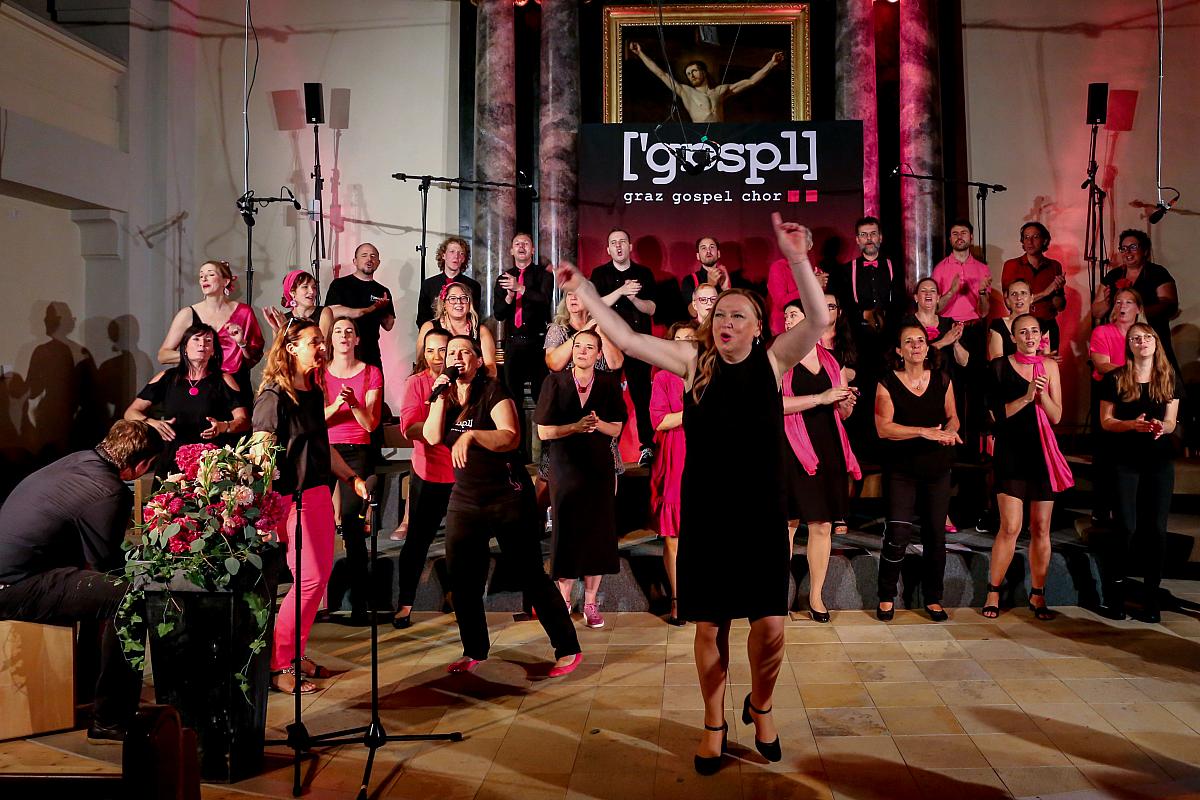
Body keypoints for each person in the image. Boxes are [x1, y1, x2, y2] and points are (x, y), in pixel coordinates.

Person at [559, 211, 830, 775]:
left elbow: (819, 317)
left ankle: (761, 705)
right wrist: (584, 288)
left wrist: (798, 258)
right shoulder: (692, 362)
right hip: (707, 515)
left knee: (771, 628)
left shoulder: (773, 361)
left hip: (761, 515)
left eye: (738, 314)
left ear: (758, 326)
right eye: (720, 314)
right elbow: (627, 338)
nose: (726, 321)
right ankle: (713, 723)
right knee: (710, 627)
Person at [423, 335, 583, 676]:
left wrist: (472, 435)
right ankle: (474, 650)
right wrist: (438, 395)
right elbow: (433, 436)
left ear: (478, 360)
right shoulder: (446, 395)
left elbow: (511, 436)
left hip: (506, 496)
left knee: (529, 574)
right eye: (452, 352)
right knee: (462, 578)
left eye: (465, 351)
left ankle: (568, 647)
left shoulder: (493, 391)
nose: (457, 357)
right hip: (466, 499)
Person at [0, 420, 163, 742]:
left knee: (97, 590)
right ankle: (111, 717)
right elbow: (108, 565)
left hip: (17, 574)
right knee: (129, 598)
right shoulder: (109, 490)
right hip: (14, 586)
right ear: (142, 465)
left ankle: (88, 687)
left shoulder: (76, 460)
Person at [251, 319, 367, 694]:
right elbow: (259, 454)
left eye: (322, 341)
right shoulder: (274, 396)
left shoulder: (314, 390)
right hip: (289, 498)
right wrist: (262, 510)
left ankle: (295, 654)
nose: (322, 347)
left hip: (316, 493)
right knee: (310, 579)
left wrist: (350, 477)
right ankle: (278, 665)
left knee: (317, 580)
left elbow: (322, 444)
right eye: (314, 341)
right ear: (292, 348)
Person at [981, 313, 1072, 622]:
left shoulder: (1050, 366)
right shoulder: (999, 366)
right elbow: (994, 416)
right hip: (1011, 452)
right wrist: (1027, 396)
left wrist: (1042, 396)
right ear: (1013, 337)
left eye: (1034, 331)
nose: (1030, 336)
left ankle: (1038, 593)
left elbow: (1057, 416)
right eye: (1023, 332)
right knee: (1010, 526)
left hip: (1042, 453)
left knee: (1041, 528)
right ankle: (993, 590)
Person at [536, 329, 627, 629]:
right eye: (578, 346)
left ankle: (590, 602)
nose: (582, 351)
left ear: (599, 354)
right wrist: (573, 427)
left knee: (598, 532)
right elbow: (543, 432)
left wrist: (597, 424)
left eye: (589, 347)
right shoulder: (555, 382)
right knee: (567, 531)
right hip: (565, 466)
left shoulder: (608, 383)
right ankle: (563, 599)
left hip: (599, 467)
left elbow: (616, 429)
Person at [779, 300, 860, 622]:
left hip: (827, 446)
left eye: (794, 314)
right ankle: (778, 595)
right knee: (787, 524)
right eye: (786, 316)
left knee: (822, 524)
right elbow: (774, 404)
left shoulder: (831, 360)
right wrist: (820, 398)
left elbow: (843, 412)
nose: (788, 320)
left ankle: (816, 597)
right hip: (790, 448)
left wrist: (845, 403)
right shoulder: (778, 358)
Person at [874, 326, 961, 622]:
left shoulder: (942, 379)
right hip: (902, 469)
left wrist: (950, 432)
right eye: (908, 341)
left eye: (920, 341)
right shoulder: (887, 382)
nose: (915, 345)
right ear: (899, 350)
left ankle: (933, 598)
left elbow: (953, 417)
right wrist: (923, 431)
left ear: (927, 347)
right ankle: (887, 595)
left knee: (935, 534)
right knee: (898, 533)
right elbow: (884, 428)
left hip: (937, 468)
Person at [1098, 323, 1181, 623]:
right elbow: (1106, 421)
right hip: (1125, 460)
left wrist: (1161, 427)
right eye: (1135, 338)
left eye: (1147, 337)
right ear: (1129, 346)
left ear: (1156, 342)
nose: (1142, 342)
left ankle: (1151, 597)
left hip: (1159, 461)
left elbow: (1171, 421)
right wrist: (1131, 425)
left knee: (1156, 530)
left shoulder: (1168, 376)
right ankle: (1116, 594)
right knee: (1126, 527)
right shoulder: (1116, 378)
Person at [125, 323, 248, 481]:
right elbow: (131, 412)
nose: (202, 344)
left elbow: (244, 421)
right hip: (172, 459)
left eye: (208, 341)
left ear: (213, 351)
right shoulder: (168, 377)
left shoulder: (224, 379)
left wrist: (224, 426)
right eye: (196, 339)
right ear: (184, 348)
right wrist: (152, 423)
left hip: (210, 462)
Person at [392, 329, 456, 629]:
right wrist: (432, 430)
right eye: (430, 350)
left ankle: (457, 596)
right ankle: (405, 603)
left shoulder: (464, 383)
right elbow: (409, 427)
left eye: (443, 350)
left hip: (460, 473)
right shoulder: (417, 383)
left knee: (461, 542)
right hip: (428, 472)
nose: (436, 356)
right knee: (417, 541)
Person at [322, 317, 383, 625]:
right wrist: (337, 405)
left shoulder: (371, 372)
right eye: (338, 331)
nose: (344, 335)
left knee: (352, 526)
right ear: (331, 339)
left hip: (356, 450)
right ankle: (318, 604)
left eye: (349, 331)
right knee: (316, 524)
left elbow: (370, 424)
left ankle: (360, 605)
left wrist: (355, 403)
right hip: (323, 449)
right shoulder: (319, 373)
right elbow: (314, 419)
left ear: (357, 339)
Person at [590, 228, 658, 466]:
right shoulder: (600, 274)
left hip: (638, 343)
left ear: (630, 246)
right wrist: (621, 291)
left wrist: (633, 298)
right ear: (608, 249)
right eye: (613, 243)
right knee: (608, 396)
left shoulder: (644, 273)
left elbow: (652, 308)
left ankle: (647, 446)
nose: (618, 246)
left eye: (622, 242)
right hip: (609, 344)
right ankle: (606, 447)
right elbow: (595, 305)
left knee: (642, 397)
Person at [157, 259, 264, 400]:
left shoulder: (244, 312)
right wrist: (197, 354)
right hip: (201, 385)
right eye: (201, 276)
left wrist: (241, 343)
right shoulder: (187, 314)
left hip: (236, 384)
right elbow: (163, 355)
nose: (204, 278)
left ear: (225, 281)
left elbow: (254, 357)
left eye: (210, 274)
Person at [932, 220, 993, 461]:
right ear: (949, 239)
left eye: (964, 233)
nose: (959, 237)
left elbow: (984, 311)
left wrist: (981, 293)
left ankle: (974, 450)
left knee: (976, 390)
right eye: (955, 233)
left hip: (973, 330)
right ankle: (952, 448)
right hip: (948, 330)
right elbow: (937, 308)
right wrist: (952, 290)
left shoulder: (982, 268)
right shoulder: (940, 268)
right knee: (952, 389)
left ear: (971, 237)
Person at [649, 321, 697, 627]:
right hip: (676, 455)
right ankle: (678, 598)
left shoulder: (709, 374)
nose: (684, 344)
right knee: (674, 536)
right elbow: (660, 421)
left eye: (690, 339)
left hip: (707, 455)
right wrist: (693, 413)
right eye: (678, 339)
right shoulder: (663, 377)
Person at [628, 41, 785, 123]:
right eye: (688, 74)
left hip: (721, 135)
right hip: (701, 137)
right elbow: (661, 74)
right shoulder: (686, 91)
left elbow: (750, 82)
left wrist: (772, 63)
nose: (691, 75)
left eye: (694, 71)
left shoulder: (720, 91)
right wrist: (640, 53)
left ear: (703, 72)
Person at [829, 216, 904, 381]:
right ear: (857, 240)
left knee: (890, 380)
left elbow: (899, 301)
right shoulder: (847, 270)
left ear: (880, 237)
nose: (869, 239)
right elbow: (844, 303)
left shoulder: (894, 266)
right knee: (863, 381)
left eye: (873, 234)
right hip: (859, 338)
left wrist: (885, 318)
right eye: (864, 235)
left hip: (889, 337)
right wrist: (863, 314)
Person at [1091, 229, 1179, 367]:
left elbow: (1170, 306)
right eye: (1123, 248)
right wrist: (1106, 304)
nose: (1128, 252)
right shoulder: (1113, 275)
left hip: (1151, 338)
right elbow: (1096, 311)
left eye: (1133, 247)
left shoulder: (1157, 273)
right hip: (1120, 341)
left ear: (1145, 251)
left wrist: (1138, 312)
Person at [493, 232, 554, 410]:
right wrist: (509, 297)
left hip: (537, 344)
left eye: (525, 243)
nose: (521, 246)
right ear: (511, 251)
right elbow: (498, 314)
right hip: (512, 344)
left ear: (532, 250)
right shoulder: (503, 279)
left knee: (541, 396)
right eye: (517, 244)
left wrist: (520, 288)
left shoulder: (544, 275)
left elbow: (544, 301)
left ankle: (544, 429)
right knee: (512, 398)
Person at [322, 243, 395, 370]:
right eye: (364, 255)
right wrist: (368, 310)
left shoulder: (382, 290)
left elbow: (388, 325)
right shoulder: (340, 284)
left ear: (378, 263)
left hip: (371, 352)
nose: (369, 259)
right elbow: (332, 311)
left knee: (375, 382)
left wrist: (382, 308)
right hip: (344, 350)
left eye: (373, 256)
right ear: (355, 261)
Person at [416, 281, 498, 376]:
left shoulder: (482, 331)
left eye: (463, 298)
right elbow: (420, 363)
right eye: (453, 298)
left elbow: (491, 368)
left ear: (469, 304)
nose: (459, 302)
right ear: (444, 304)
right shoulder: (429, 327)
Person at [1000, 222, 1066, 325]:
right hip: (1021, 325)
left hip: (1048, 324)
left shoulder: (1054, 265)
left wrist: (1058, 291)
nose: (1030, 242)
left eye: (1035, 237)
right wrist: (1044, 293)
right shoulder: (1012, 265)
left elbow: (1060, 307)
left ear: (1044, 240)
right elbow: (1010, 303)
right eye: (1026, 237)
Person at [902, 278, 969, 375]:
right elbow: (908, 355)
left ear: (938, 298)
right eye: (923, 290)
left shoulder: (949, 323)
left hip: (945, 379)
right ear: (916, 297)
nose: (928, 293)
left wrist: (956, 342)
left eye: (932, 291)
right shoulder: (907, 323)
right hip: (916, 378)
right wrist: (944, 341)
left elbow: (964, 362)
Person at [415, 236, 482, 330]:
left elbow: (474, 317)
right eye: (452, 252)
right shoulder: (428, 284)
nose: (456, 256)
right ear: (443, 255)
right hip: (435, 334)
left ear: (463, 259)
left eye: (461, 253)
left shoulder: (473, 286)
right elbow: (422, 318)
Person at [988, 279, 1058, 360]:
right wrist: (1033, 359)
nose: (1018, 298)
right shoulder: (998, 325)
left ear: (1031, 298)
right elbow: (996, 362)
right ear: (1008, 301)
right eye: (1014, 294)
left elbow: (1046, 356)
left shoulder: (1042, 324)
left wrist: (1045, 359)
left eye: (1023, 293)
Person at [681, 236, 749, 308]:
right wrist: (710, 286)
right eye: (703, 248)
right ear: (698, 256)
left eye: (712, 247)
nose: (708, 251)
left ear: (718, 253)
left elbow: (739, 307)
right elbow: (692, 311)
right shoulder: (689, 280)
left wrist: (726, 289)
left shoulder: (734, 279)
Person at [264, 269, 323, 334]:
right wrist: (281, 332)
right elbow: (278, 341)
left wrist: (286, 332)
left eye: (314, 287)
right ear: (292, 292)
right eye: (305, 287)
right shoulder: (282, 321)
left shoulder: (323, 313)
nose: (312, 292)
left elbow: (320, 340)